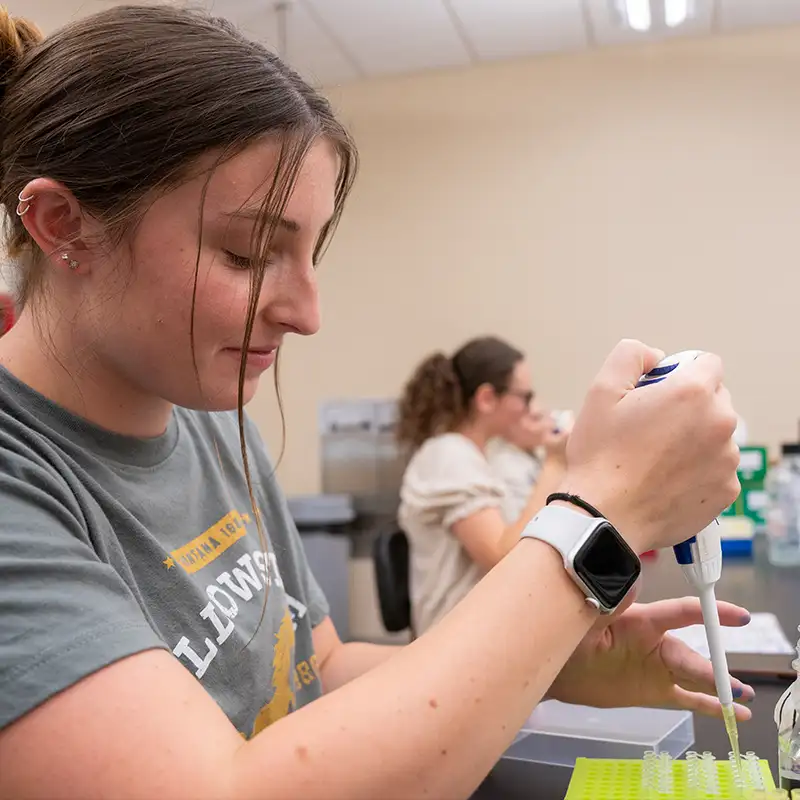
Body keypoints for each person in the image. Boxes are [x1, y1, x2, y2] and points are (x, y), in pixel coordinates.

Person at [0, 7, 752, 800]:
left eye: (310, 253)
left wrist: (541, 668)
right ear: (61, 226)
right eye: (248, 254)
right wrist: (596, 513)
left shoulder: (214, 422)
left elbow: (320, 666)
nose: (306, 314)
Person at [397, 337, 571, 633]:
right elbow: (503, 558)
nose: (529, 408)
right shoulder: (449, 455)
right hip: (452, 643)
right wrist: (554, 462)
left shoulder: (476, 457)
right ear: (487, 398)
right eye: (524, 397)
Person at [486, 405, 572, 524]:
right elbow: (520, 520)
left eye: (547, 416)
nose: (548, 424)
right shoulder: (506, 466)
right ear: (511, 424)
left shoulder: (532, 454)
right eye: (536, 419)